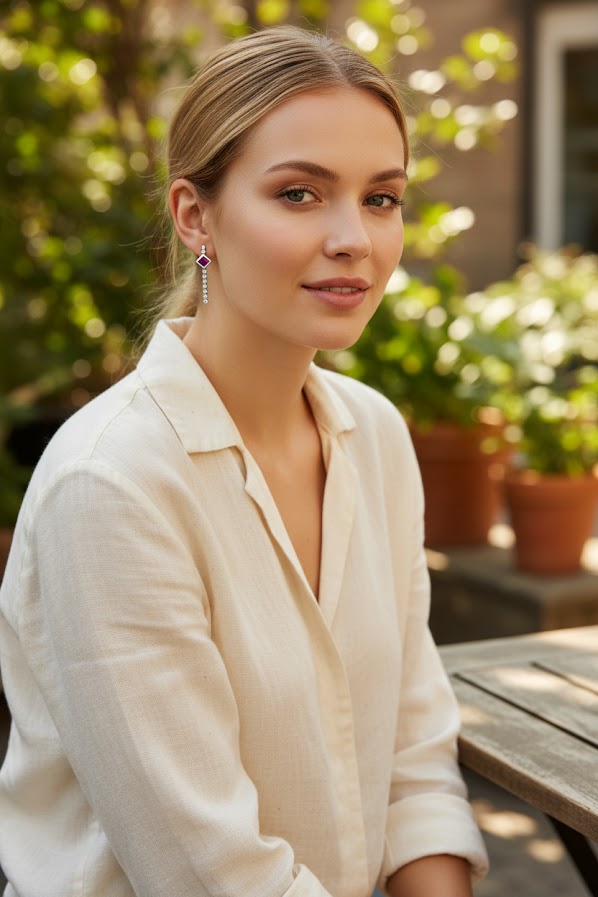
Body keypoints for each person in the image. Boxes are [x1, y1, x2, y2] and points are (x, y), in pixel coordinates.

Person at [0, 25, 488, 897]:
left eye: (381, 198)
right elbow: (210, 872)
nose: (355, 239)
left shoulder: (374, 436)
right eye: (300, 194)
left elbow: (414, 755)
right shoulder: (111, 484)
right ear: (196, 215)